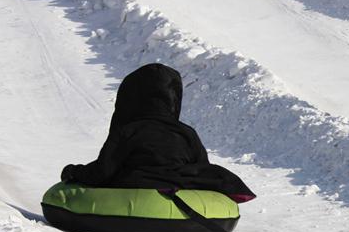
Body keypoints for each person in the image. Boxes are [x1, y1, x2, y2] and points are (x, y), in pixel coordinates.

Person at [61, 63, 255, 204]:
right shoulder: (187, 133)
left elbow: (102, 172)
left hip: (135, 193)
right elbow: (201, 168)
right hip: (181, 197)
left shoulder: (128, 131)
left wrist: (74, 172)